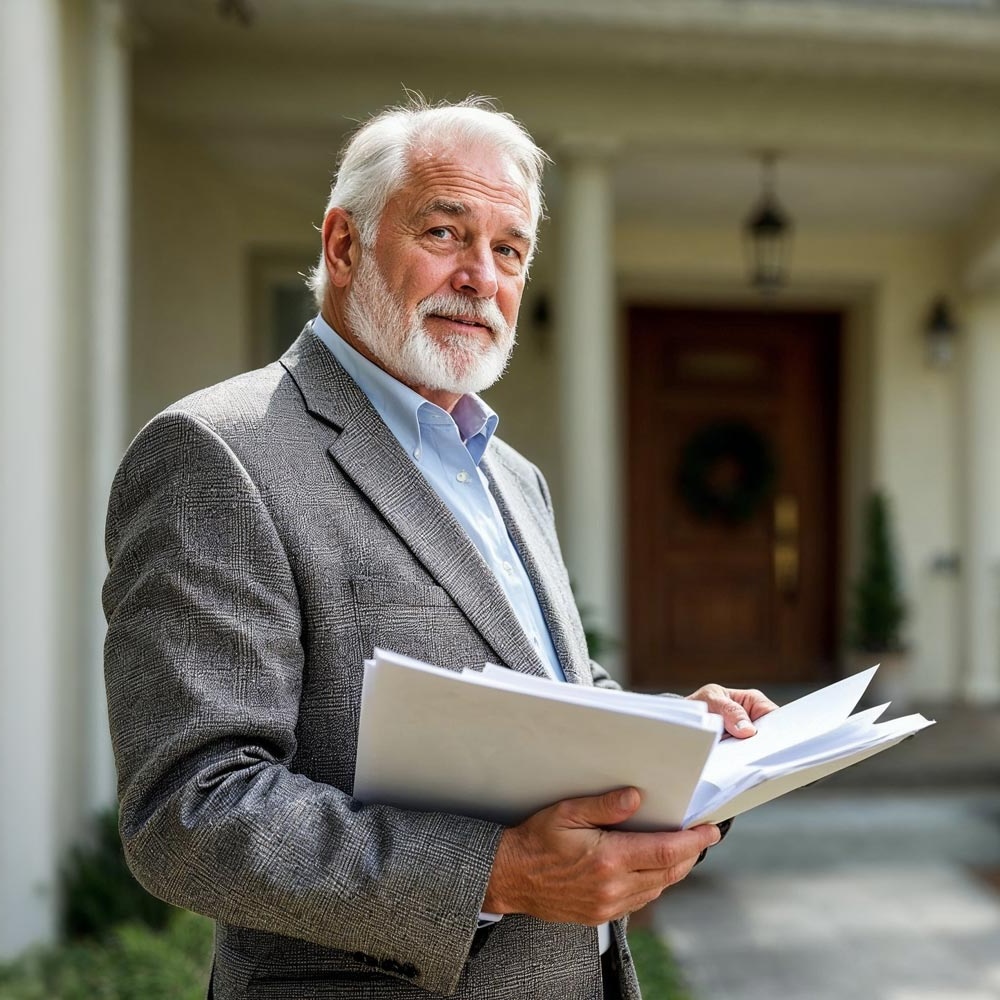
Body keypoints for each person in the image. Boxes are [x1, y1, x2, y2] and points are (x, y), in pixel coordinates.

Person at [103, 97, 777, 1000]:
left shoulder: (510, 474)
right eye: (446, 233)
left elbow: (541, 698)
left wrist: (676, 733)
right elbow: (189, 813)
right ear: (345, 246)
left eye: (509, 250)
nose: (480, 277)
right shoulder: (218, 452)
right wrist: (495, 874)